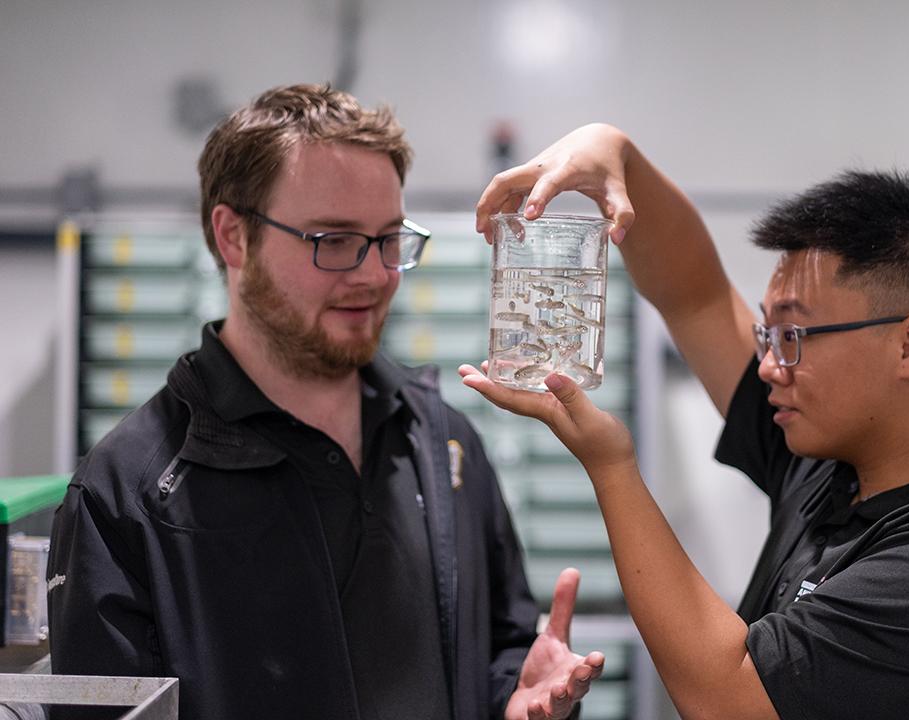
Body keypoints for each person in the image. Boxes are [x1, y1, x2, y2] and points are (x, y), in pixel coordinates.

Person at [460, 123, 909, 720]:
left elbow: (729, 700)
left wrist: (611, 465)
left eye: (795, 335)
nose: (772, 366)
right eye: (768, 334)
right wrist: (618, 156)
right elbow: (693, 295)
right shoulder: (830, 464)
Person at [46, 85, 603, 720]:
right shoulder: (127, 491)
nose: (373, 274)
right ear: (233, 237)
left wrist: (515, 697)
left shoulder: (442, 441)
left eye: (390, 238)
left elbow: (501, 643)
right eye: (333, 240)